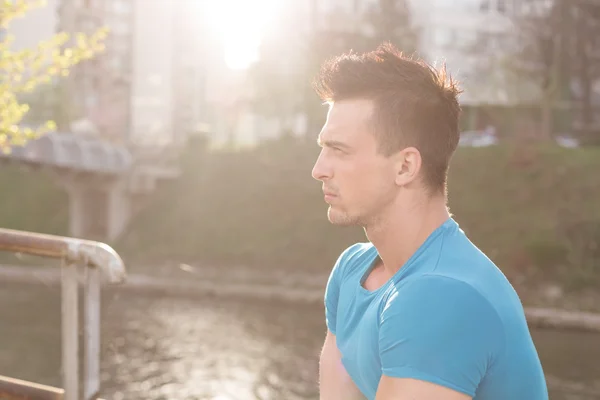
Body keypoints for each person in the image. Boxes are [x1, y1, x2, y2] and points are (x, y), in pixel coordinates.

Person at [310, 43, 548, 400]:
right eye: (323, 148)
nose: (318, 170)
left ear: (405, 166)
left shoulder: (441, 295)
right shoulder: (351, 273)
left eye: (339, 150)